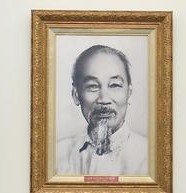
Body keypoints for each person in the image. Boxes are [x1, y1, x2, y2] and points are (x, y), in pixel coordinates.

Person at [56, 45, 148, 176]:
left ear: (129, 93)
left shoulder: (149, 157)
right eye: (93, 86)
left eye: (114, 85)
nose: (104, 99)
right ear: (76, 95)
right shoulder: (56, 156)